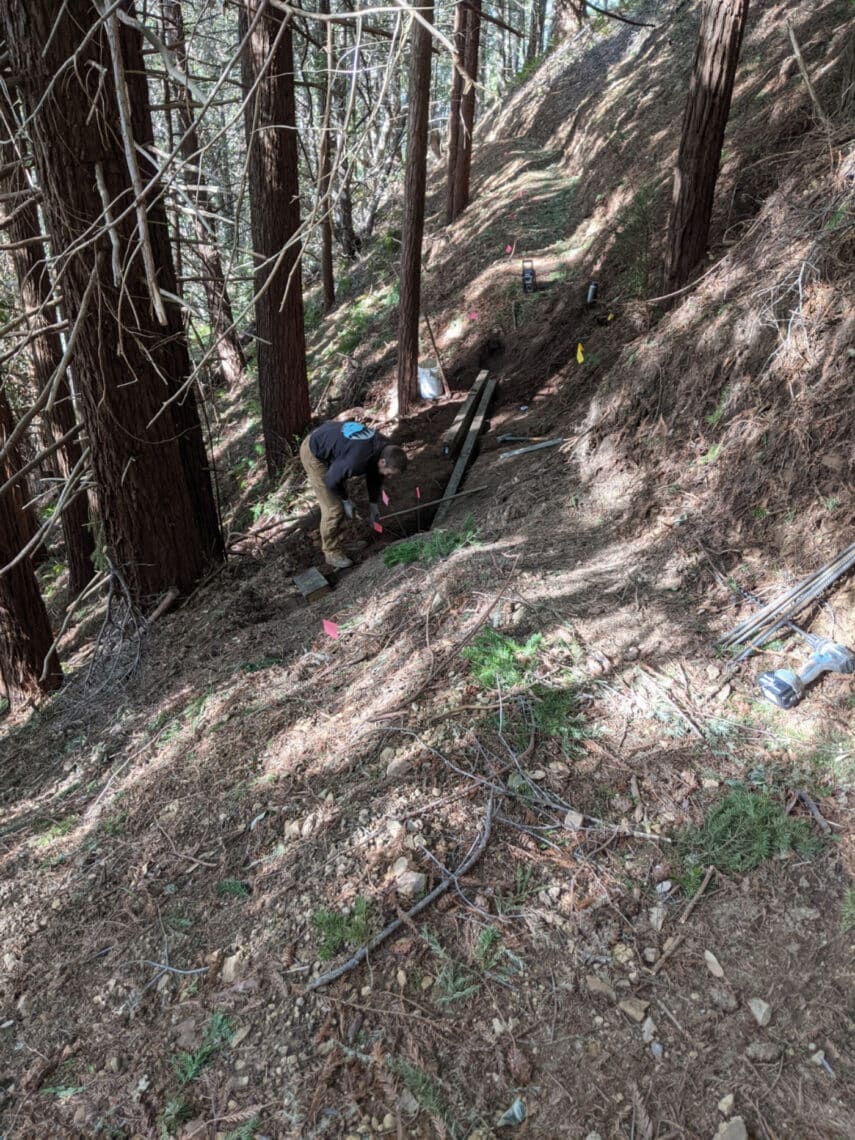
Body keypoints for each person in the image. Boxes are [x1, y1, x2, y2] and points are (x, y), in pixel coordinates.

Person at [300, 420, 407, 568]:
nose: (388, 477)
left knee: (341, 495)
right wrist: (345, 500)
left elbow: (375, 475)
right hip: (314, 451)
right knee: (333, 508)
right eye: (389, 473)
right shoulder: (356, 460)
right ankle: (331, 552)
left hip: (331, 440)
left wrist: (373, 505)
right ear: (382, 462)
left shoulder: (385, 447)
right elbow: (331, 480)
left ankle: (344, 542)